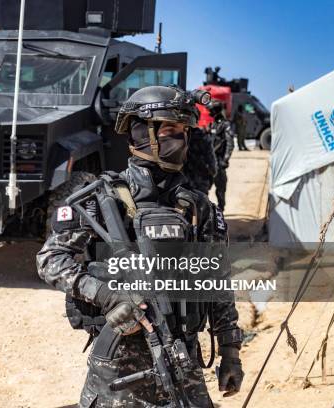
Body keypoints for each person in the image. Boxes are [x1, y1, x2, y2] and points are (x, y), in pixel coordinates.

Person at [37, 85, 243, 407]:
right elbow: (51, 259)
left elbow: (217, 284)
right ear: (141, 134)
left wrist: (230, 350)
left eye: (183, 132)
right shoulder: (100, 199)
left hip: (182, 361)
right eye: (170, 130)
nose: (180, 140)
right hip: (119, 368)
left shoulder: (199, 208)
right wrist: (104, 295)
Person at [209, 101, 235, 211]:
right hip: (209, 161)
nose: (210, 113)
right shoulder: (213, 124)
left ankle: (221, 210)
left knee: (220, 188)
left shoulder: (225, 125)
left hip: (219, 162)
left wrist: (225, 159)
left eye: (211, 111)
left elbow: (230, 144)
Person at [184, 126, 218, 195]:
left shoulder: (183, 137)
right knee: (202, 201)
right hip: (202, 176)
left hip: (186, 176)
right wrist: (213, 171)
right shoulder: (205, 137)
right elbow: (211, 158)